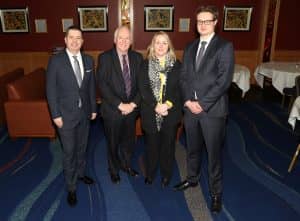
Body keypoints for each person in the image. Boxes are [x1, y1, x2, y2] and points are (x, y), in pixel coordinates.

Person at [173, 5, 234, 213]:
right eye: (199, 21)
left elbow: (223, 81)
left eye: (207, 21)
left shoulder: (224, 47)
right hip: (190, 109)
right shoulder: (190, 47)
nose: (203, 25)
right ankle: (192, 179)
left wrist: (203, 103)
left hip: (213, 112)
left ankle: (216, 193)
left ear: (215, 22)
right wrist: (188, 101)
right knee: (192, 149)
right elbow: (183, 78)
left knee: (214, 155)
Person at [46, 26, 97, 207]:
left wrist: (93, 109)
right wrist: (55, 114)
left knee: (82, 147)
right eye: (72, 37)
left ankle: (81, 174)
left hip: (84, 114)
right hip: (64, 117)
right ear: (66, 40)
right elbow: (50, 90)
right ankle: (71, 187)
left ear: (82, 42)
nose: (75, 41)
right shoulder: (56, 61)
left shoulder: (89, 60)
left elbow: (90, 87)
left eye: (79, 38)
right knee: (69, 153)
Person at [97, 25, 143, 184]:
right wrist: (120, 105)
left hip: (132, 110)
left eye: (127, 38)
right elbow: (102, 85)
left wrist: (133, 105)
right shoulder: (105, 57)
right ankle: (113, 170)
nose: (124, 41)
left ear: (131, 41)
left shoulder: (138, 58)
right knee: (112, 142)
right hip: (112, 110)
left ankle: (126, 165)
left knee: (129, 142)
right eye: (120, 38)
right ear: (115, 40)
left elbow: (143, 85)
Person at [138, 31, 182, 187]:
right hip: (150, 112)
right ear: (152, 45)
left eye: (164, 43)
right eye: (158, 42)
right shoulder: (145, 65)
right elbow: (143, 89)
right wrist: (156, 106)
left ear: (168, 46)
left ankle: (166, 174)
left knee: (168, 146)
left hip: (171, 112)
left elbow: (179, 90)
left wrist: (167, 104)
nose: (161, 46)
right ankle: (150, 173)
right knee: (151, 145)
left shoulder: (177, 65)